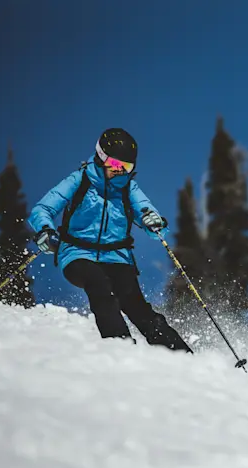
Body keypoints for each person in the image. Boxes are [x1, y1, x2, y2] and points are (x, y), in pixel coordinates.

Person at [28, 127, 193, 354]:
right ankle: (121, 348)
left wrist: (152, 221)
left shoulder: (128, 187)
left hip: (117, 256)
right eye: (116, 165)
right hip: (77, 253)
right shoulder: (80, 179)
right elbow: (43, 208)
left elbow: (145, 210)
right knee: (99, 285)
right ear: (101, 157)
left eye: (126, 167)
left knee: (134, 303)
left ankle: (182, 357)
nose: (120, 172)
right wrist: (45, 230)